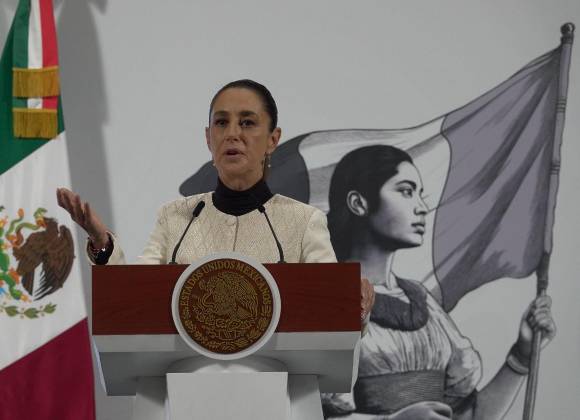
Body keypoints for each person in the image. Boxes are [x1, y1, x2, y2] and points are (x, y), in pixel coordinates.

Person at [56, 79, 374, 320]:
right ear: (209, 138)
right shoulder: (175, 218)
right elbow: (134, 299)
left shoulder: (304, 222)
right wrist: (102, 244)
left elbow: (331, 316)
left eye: (247, 122)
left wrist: (355, 305)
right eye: (221, 122)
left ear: (273, 139)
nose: (232, 133)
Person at [321, 145, 556, 420]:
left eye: (420, 194)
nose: (422, 207)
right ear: (358, 203)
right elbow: (306, 413)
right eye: (406, 191)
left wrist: (522, 354)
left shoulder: (421, 300)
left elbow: (470, 416)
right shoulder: (322, 299)